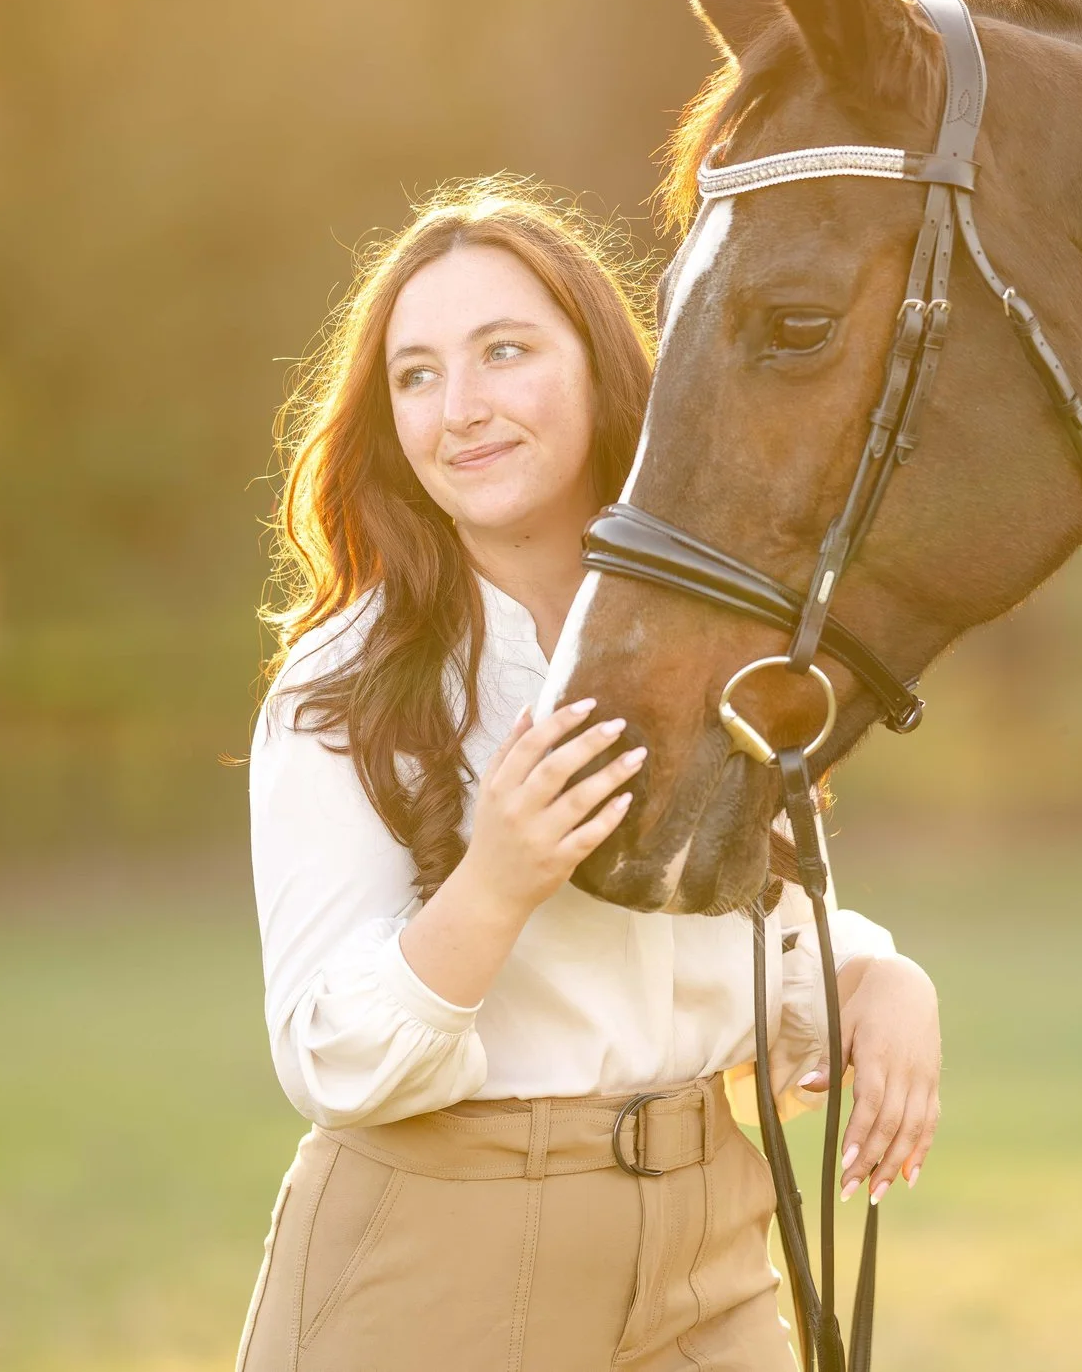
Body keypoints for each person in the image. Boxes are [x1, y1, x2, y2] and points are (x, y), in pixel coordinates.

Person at [235, 181, 942, 1371]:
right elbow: (330, 1053)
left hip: (708, 1254)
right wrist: (498, 878)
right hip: (439, 1262)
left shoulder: (721, 636)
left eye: (503, 351)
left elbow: (722, 935)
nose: (459, 408)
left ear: (603, 367)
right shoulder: (347, 683)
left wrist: (873, 972)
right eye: (416, 374)